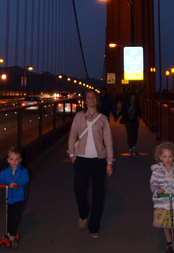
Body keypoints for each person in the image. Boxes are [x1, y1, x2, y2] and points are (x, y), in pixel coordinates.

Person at [67, 90, 114, 239]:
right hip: (81, 159)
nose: (91, 99)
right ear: (85, 101)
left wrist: (109, 162)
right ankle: (83, 214)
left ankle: (94, 227)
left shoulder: (103, 119)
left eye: (94, 97)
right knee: (79, 191)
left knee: (98, 194)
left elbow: (108, 141)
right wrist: (72, 155)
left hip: (99, 161)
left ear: (97, 101)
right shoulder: (79, 117)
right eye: (88, 97)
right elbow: (72, 135)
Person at [150, 140, 174, 253]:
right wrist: (157, 190)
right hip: (162, 202)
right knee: (166, 226)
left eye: (170, 157)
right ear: (160, 157)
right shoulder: (156, 172)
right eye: (165, 156)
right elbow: (153, 183)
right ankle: (169, 244)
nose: (167, 159)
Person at [0, 145, 30, 245]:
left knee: (16, 216)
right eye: (12, 159)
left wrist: (17, 184)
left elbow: (25, 179)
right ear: (8, 160)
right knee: (8, 216)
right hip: (9, 198)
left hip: (19, 198)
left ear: (20, 160)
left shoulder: (22, 170)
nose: (14, 162)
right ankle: (8, 232)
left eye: (16, 159)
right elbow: (1, 178)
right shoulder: (6, 171)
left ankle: (13, 234)